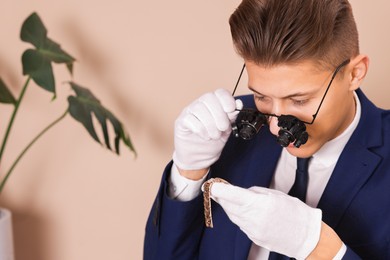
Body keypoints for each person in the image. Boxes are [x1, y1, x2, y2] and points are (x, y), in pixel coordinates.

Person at [144, 0, 390, 259]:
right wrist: (187, 174)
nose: (274, 127)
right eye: (262, 97)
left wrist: (319, 248)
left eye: (299, 100)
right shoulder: (226, 128)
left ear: (355, 73)